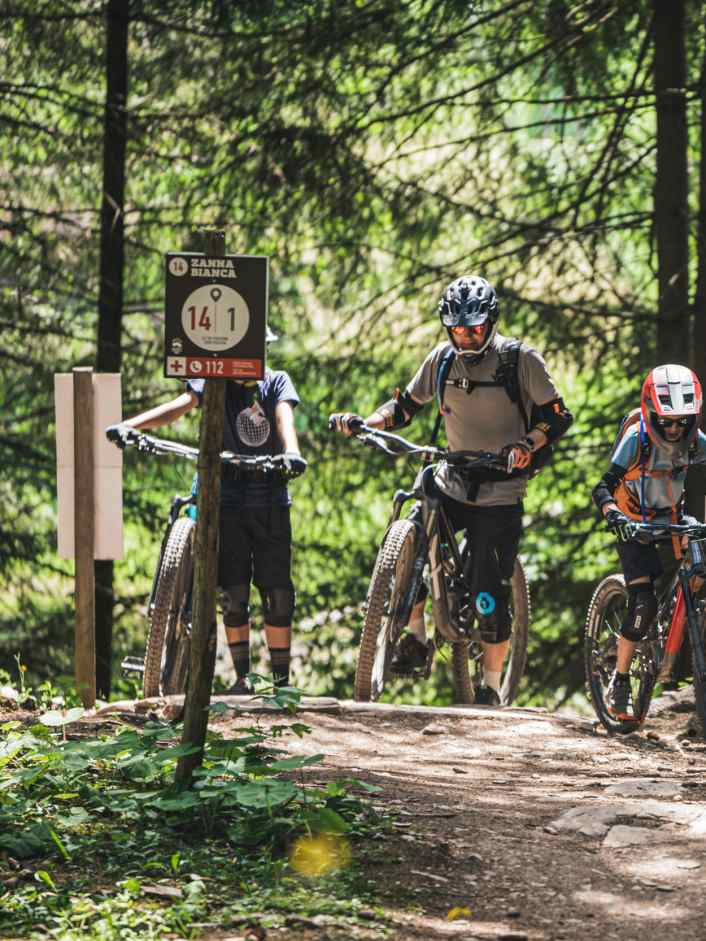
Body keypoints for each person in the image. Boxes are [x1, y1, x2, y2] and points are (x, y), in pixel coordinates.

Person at [331, 275, 572, 705]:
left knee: (486, 588)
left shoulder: (520, 360)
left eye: (475, 328)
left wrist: (526, 446)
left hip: (500, 489)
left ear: (491, 322)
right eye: (458, 328)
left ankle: (492, 685)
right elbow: (405, 406)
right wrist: (366, 422)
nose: (466, 336)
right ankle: (416, 631)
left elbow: (557, 417)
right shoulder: (443, 359)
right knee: (414, 517)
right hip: (453, 476)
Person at [107, 328, 306, 694]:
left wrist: (291, 452)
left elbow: (284, 420)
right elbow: (181, 407)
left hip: (269, 498)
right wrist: (130, 426)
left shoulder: (276, 381)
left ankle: (281, 685)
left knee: (277, 594)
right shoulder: (213, 383)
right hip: (226, 498)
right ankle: (243, 679)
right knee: (233, 593)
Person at [592, 363, 706, 720]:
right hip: (633, 523)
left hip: (672, 519)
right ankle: (621, 680)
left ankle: (679, 642)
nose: (674, 430)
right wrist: (614, 516)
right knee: (642, 604)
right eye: (667, 421)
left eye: (682, 422)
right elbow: (602, 487)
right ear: (650, 412)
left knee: (701, 568)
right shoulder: (636, 439)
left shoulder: (695, 441)